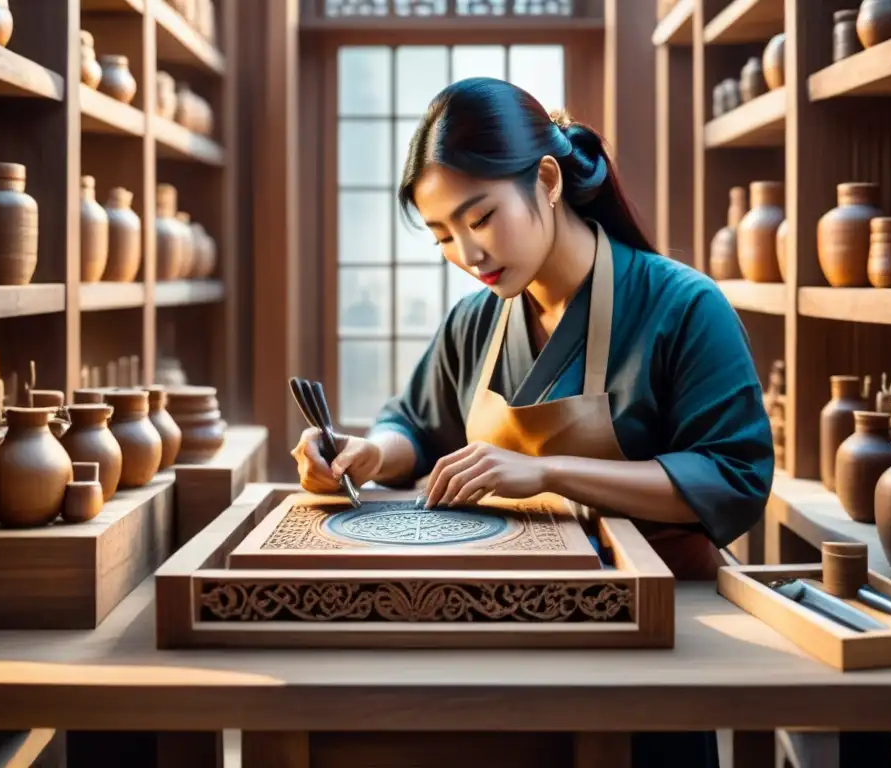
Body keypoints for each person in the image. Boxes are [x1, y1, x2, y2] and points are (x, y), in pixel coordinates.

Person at [294, 76, 774, 768]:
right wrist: (368, 453)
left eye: (481, 217)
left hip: (652, 642)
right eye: (443, 237)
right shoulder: (476, 321)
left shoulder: (682, 307)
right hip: (504, 628)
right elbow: (418, 426)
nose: (470, 254)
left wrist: (547, 471)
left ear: (547, 179)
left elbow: (733, 477)